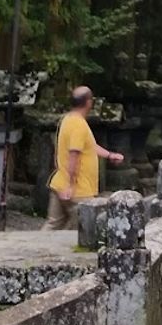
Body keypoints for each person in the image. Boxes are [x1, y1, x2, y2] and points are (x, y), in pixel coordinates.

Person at [45, 86, 123, 230]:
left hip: (60, 182)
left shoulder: (67, 119)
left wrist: (109, 155)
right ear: (88, 102)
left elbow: (90, 146)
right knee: (81, 231)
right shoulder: (79, 125)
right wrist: (70, 184)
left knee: (52, 225)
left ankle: (35, 250)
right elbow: (74, 154)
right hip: (78, 190)